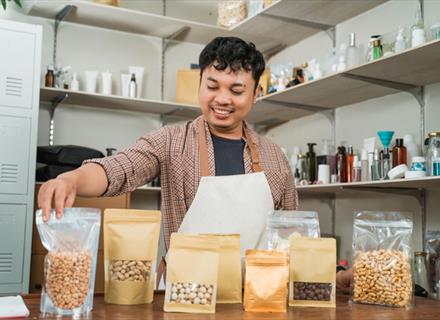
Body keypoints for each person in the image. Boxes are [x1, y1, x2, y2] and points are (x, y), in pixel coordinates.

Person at [38, 37, 298, 250]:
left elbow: (292, 234)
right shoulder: (171, 141)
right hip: (186, 292)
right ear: (200, 86)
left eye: (236, 91)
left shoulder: (274, 156)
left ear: (256, 95)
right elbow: (119, 169)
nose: (222, 98)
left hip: (257, 295)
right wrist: (70, 180)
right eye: (212, 86)